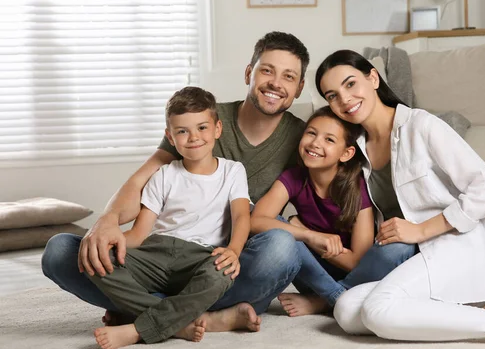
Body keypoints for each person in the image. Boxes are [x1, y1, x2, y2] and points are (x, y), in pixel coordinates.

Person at [314, 49, 485, 349]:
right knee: (346, 308)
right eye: (332, 95)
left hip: (453, 243)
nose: (345, 99)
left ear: (373, 78)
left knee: (378, 310)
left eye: (351, 84)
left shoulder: (421, 126)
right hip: (414, 258)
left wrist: (421, 230)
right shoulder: (358, 151)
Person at [41, 31, 310, 331]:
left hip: (224, 264)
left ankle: (137, 308)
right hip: (164, 257)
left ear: (299, 88)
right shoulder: (199, 118)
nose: (275, 82)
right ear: (249, 72)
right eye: (267, 70)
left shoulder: (303, 138)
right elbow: (142, 181)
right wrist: (108, 220)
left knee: (283, 248)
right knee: (61, 251)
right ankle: (196, 317)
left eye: (288, 76)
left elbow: (325, 196)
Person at [87, 87, 250, 349]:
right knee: (94, 259)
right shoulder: (163, 175)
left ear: (217, 129)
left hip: (200, 258)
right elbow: (139, 234)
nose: (193, 137)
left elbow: (242, 216)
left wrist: (233, 250)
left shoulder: (233, 171)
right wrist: (108, 243)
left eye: (202, 128)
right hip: (157, 252)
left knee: (221, 274)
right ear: (170, 137)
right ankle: (178, 321)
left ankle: (138, 328)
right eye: (182, 131)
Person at [251, 106, 415, 316]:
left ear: (346, 153)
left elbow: (357, 262)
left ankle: (326, 300)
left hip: (360, 275)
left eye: (329, 140)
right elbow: (256, 221)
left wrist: (310, 239)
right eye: (311, 133)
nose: (315, 143)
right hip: (314, 274)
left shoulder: (356, 187)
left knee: (399, 249)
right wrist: (308, 235)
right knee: (278, 227)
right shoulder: (293, 178)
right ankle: (337, 297)